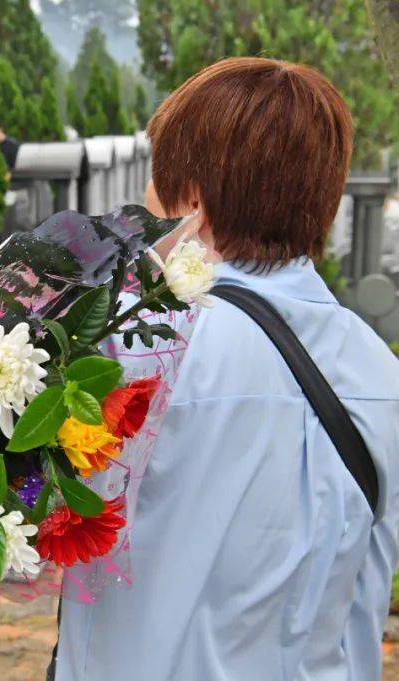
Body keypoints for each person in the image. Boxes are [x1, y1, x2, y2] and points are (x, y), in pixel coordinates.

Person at [51, 58, 399, 679]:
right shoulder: (378, 373)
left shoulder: (126, 345)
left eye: (153, 194)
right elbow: (364, 593)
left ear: (192, 204)